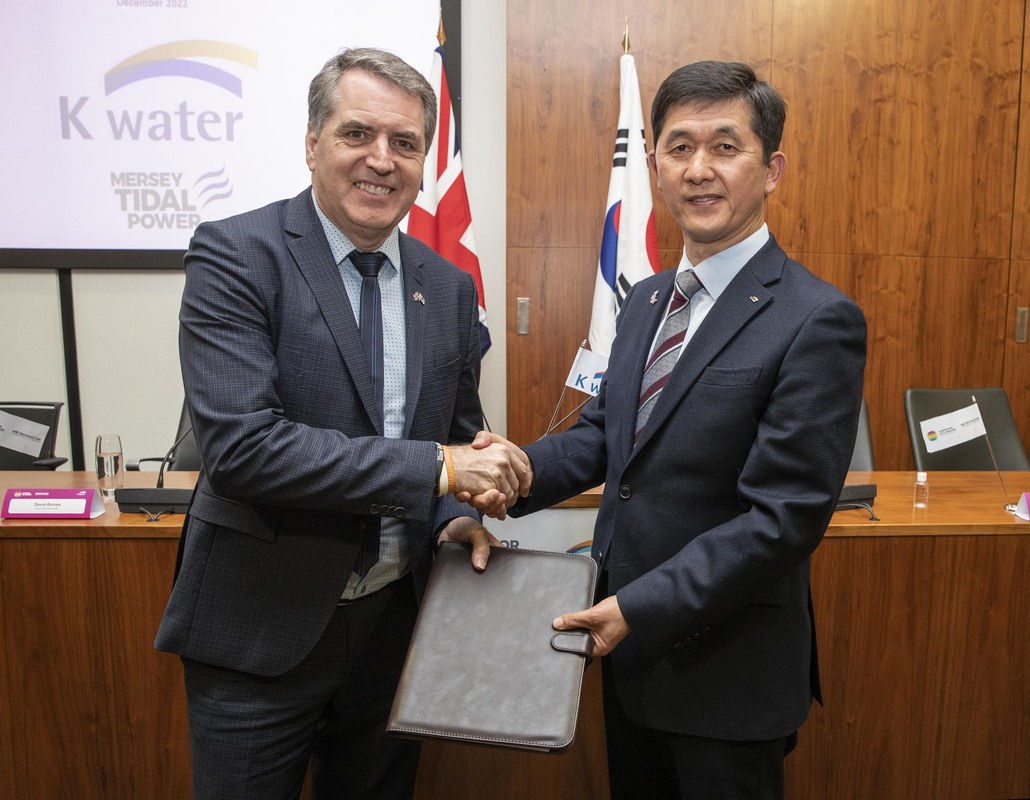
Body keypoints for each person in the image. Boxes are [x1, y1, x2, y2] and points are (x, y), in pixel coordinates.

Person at [155, 47, 527, 800]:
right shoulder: (237, 255)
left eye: (405, 143)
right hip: (261, 632)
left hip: (395, 635)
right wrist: (442, 471)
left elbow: (454, 433)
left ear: (425, 161)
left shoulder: (448, 288)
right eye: (358, 134)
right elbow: (244, 451)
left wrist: (457, 515)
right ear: (312, 143)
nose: (381, 161)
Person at [500, 61, 867, 798]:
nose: (700, 170)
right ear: (656, 166)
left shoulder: (816, 318)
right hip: (630, 665)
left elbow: (783, 519)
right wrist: (511, 473)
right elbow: (607, 438)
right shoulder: (647, 302)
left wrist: (639, 608)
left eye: (725, 147)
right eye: (679, 148)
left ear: (772, 169)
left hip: (724, 672)